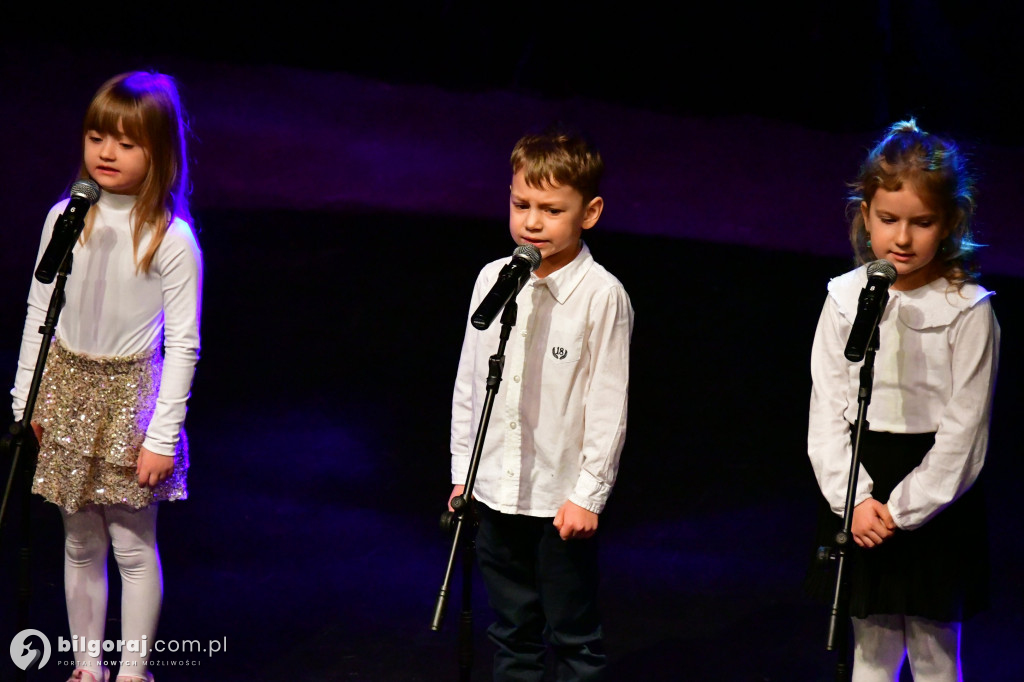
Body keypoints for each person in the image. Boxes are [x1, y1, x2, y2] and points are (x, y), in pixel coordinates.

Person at [10, 71, 202, 682]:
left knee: (131, 544)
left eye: (125, 142)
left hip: (131, 400)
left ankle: (133, 670)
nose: (107, 153)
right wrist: (26, 398)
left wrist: (162, 435)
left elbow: (184, 346)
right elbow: (40, 311)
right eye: (97, 137)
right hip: (66, 390)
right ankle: (87, 667)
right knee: (78, 540)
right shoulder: (65, 217)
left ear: (160, 151)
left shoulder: (171, 239)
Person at [806, 120, 999, 681]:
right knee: (871, 650)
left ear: (950, 223)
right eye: (888, 219)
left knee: (937, 654)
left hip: (933, 497)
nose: (903, 238)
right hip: (861, 485)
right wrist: (858, 502)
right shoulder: (845, 299)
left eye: (922, 222)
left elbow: (966, 433)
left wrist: (904, 509)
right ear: (865, 214)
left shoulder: (968, 309)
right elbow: (827, 414)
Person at [447, 126, 633, 681]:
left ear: (590, 212)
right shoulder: (493, 278)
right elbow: (469, 384)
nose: (531, 222)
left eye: (551, 210)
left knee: (574, 639)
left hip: (559, 504)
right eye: (520, 204)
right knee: (512, 634)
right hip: (496, 493)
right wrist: (465, 473)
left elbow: (607, 404)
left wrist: (588, 495)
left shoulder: (602, 296)